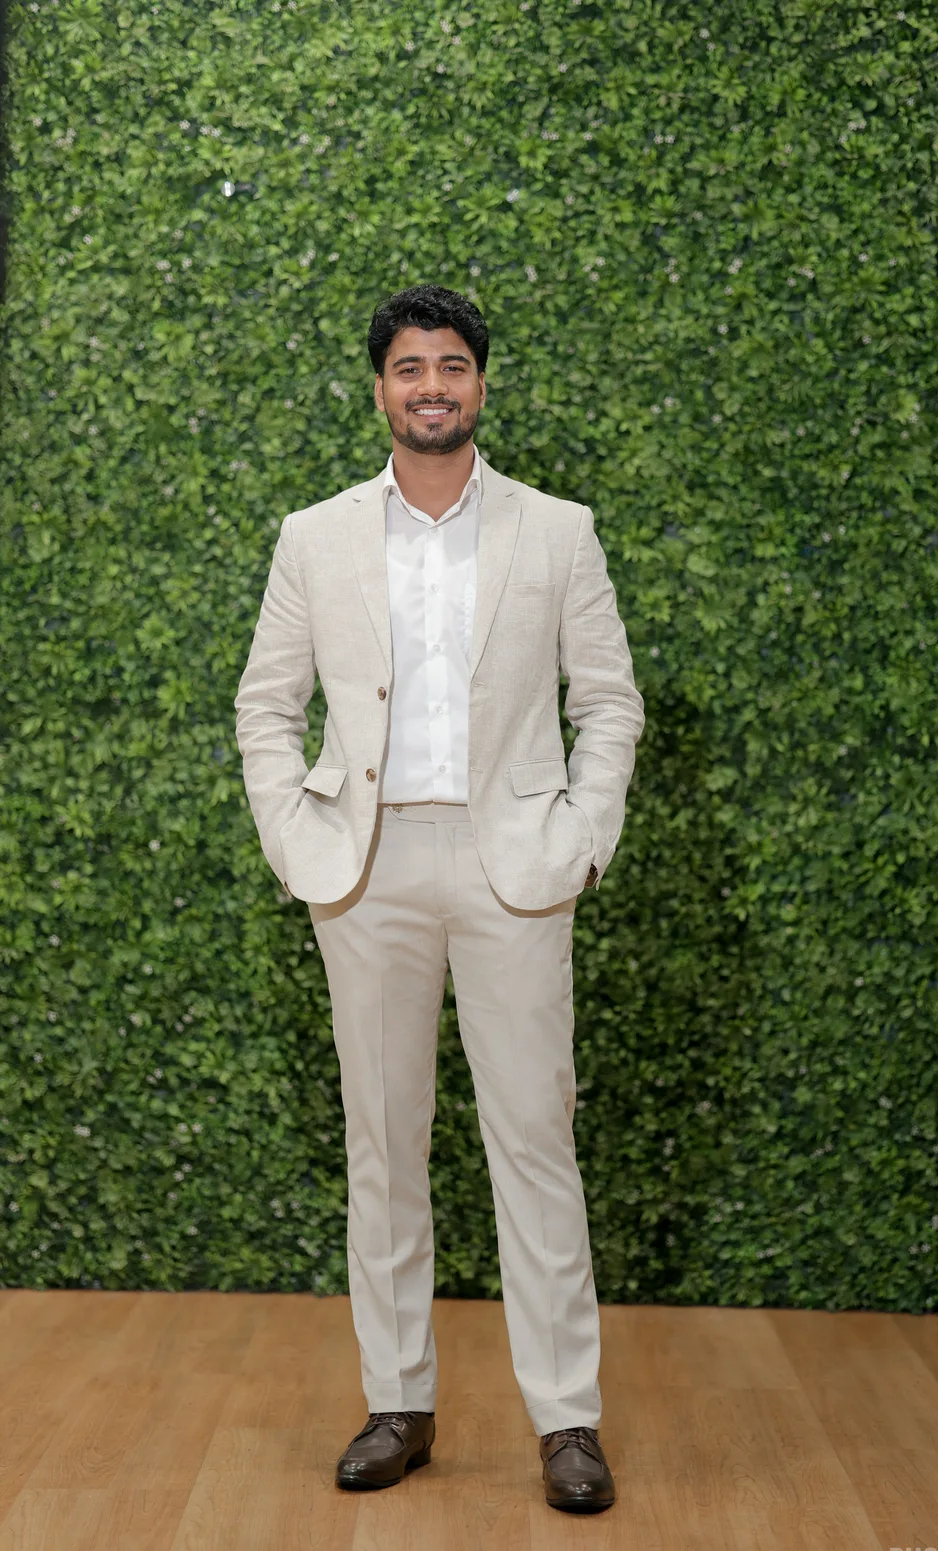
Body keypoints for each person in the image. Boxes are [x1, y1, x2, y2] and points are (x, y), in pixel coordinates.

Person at [234, 284, 645, 1514]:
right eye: (409, 367)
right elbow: (265, 706)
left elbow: (607, 701)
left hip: (513, 869)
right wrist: (295, 841)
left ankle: (566, 1422)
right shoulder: (314, 537)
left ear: (478, 384)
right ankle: (397, 1404)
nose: (430, 386)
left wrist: (581, 839)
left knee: (534, 1141)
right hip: (363, 873)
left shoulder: (555, 531)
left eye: (451, 366)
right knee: (382, 1141)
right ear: (379, 389)